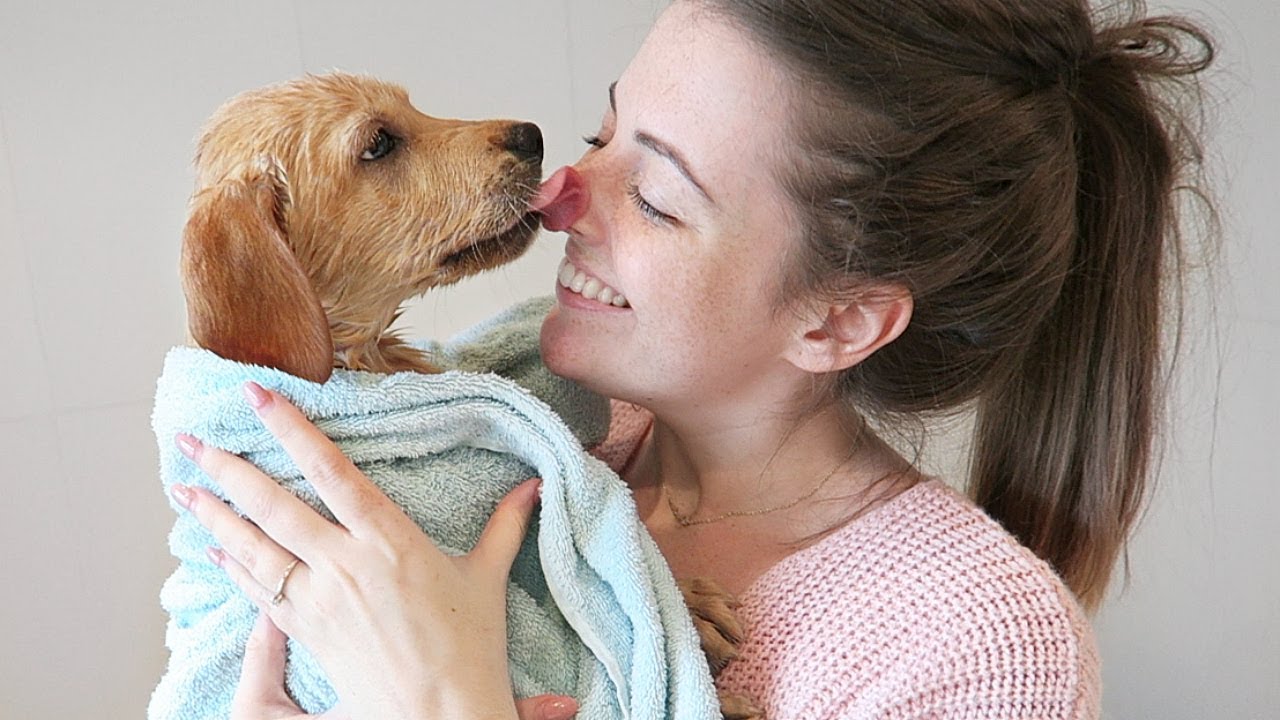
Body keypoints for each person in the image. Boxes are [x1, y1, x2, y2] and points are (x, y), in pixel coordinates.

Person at [166, 0, 1214, 717]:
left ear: (838, 321)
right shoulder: (494, 430)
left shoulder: (975, 652)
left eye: (659, 199)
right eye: (601, 132)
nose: (562, 191)